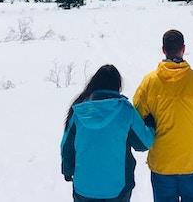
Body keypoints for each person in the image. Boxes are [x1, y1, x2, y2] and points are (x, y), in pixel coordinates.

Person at [133, 30, 193, 202]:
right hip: (192, 161)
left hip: (162, 163)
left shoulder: (149, 83)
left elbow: (136, 119)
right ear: (183, 49)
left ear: (163, 49)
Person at [61, 64, 155, 202]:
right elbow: (143, 143)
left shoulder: (80, 111)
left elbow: (66, 146)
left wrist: (68, 170)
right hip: (117, 188)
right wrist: (151, 125)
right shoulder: (125, 110)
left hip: (84, 188)